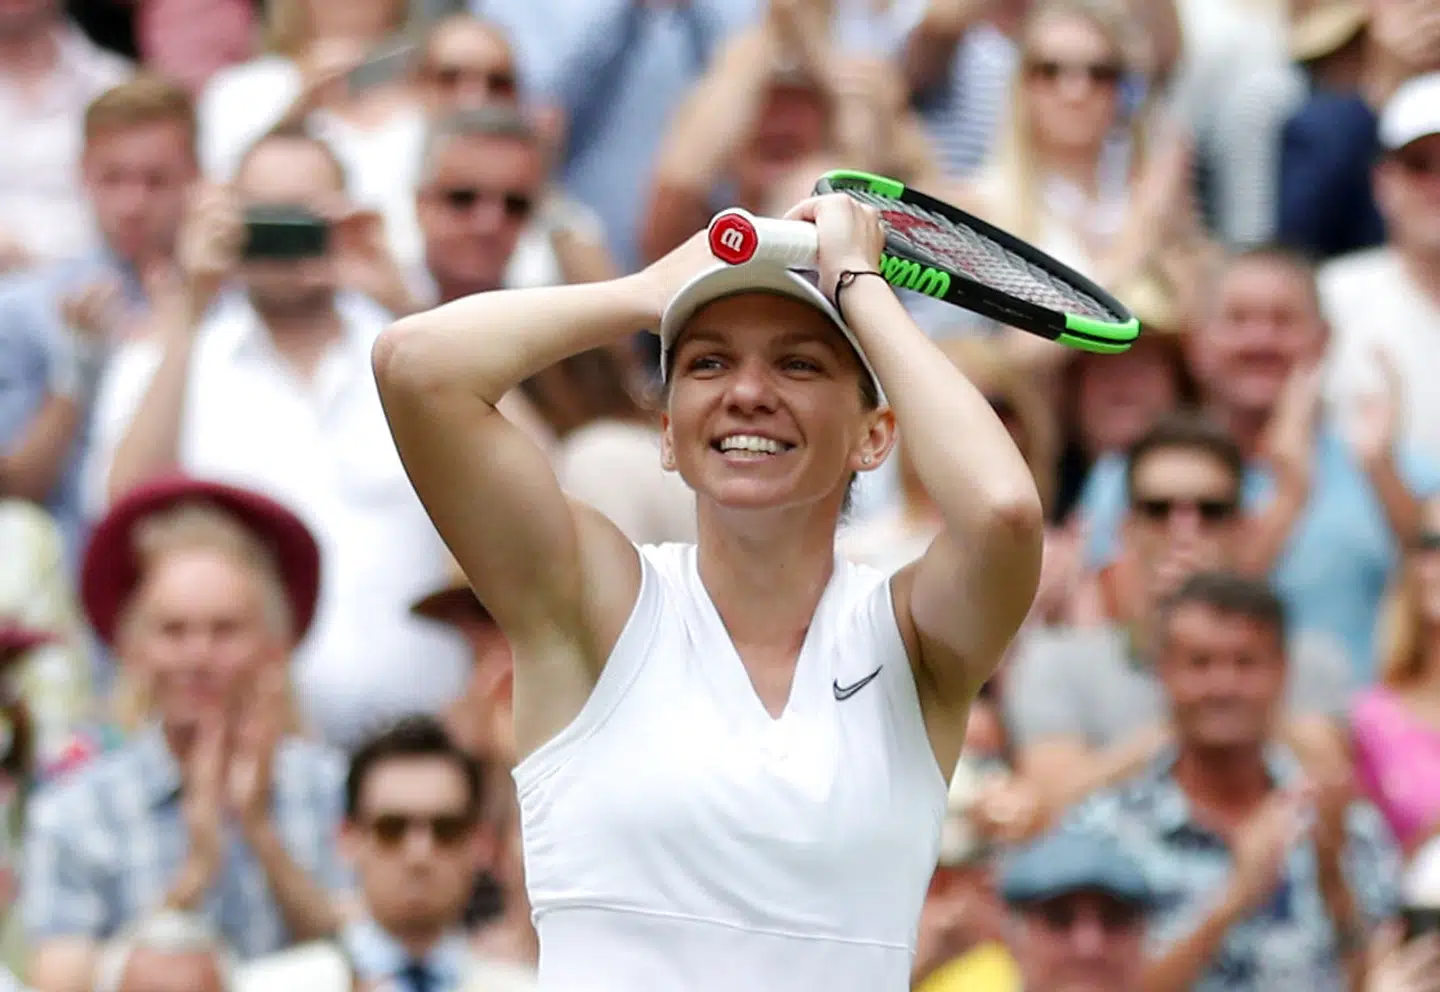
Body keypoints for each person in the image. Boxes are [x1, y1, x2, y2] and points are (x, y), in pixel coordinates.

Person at [372, 194, 1046, 990]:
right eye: (708, 362)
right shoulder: (596, 604)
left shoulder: (910, 640)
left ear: (875, 435)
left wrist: (861, 284)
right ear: (666, 433)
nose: (747, 392)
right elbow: (415, 367)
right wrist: (649, 291)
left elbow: (1003, 511)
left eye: (798, 362)